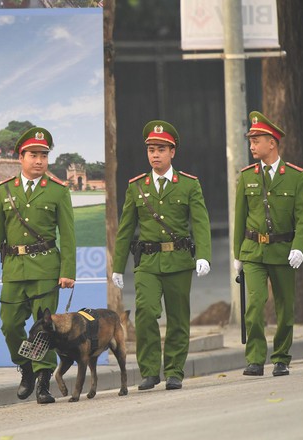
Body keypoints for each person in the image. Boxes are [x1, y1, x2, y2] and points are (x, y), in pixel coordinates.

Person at [0, 127, 76, 404]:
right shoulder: (5, 190)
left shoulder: (57, 192)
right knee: (10, 326)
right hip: (13, 270)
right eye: (33, 155)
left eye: (44, 155)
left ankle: (44, 382)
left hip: (46, 270)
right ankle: (26, 367)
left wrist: (68, 272)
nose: (39, 161)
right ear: (21, 156)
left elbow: (68, 235)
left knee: (44, 327)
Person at [111, 120, 212, 391]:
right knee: (145, 312)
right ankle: (150, 371)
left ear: (172, 152)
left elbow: (200, 223)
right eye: (151, 149)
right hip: (148, 262)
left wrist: (204, 255)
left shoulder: (189, 185)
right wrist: (118, 267)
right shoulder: (137, 187)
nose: (154, 154)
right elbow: (125, 230)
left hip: (179, 261)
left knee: (178, 317)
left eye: (161, 149)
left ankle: (175, 370)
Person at [234, 111, 303, 377]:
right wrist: (237, 254)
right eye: (250, 140)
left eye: (257, 140)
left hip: (283, 251)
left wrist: (299, 246)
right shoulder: (246, 176)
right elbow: (240, 217)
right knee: (254, 306)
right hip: (254, 251)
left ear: (272, 143)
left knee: (285, 308)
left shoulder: (295, 176)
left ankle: (281, 358)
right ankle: (255, 359)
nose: (252, 145)